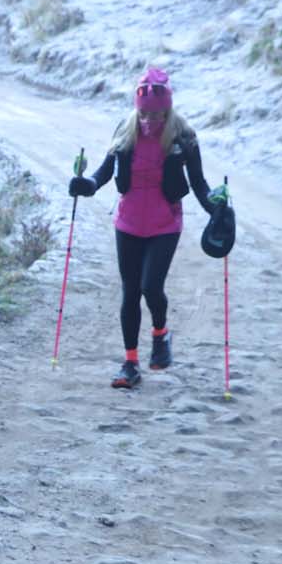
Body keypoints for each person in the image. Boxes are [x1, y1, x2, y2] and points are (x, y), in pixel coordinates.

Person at [68, 67, 218, 389]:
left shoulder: (183, 137)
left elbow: (199, 183)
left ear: (167, 111)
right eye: (144, 114)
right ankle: (130, 363)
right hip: (128, 222)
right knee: (130, 291)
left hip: (165, 224)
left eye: (156, 115)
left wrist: (216, 208)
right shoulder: (126, 131)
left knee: (151, 286)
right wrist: (86, 184)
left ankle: (160, 334)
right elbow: (103, 173)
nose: (149, 121)